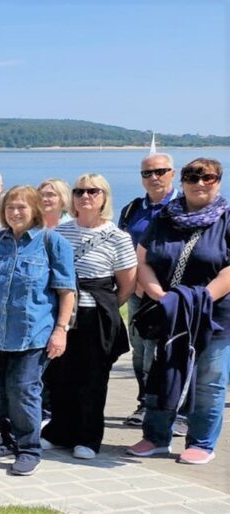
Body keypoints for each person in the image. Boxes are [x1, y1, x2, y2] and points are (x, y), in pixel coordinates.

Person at [129, 158, 230, 465]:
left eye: (208, 177)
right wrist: (162, 297)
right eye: (192, 176)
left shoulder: (226, 219)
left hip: (214, 313)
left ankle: (201, 442)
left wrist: (198, 303)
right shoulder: (164, 218)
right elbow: (142, 260)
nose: (199, 182)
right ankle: (156, 437)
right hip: (167, 310)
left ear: (218, 181)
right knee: (160, 371)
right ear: (182, 181)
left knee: (209, 378)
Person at [0, 185, 76, 476]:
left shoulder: (52, 243)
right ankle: (8, 440)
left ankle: (29, 449)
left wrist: (61, 330)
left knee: (23, 392)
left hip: (32, 334)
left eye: (21, 207)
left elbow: (67, 292)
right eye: (10, 207)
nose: (15, 212)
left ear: (35, 209)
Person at [42, 174, 135, 459]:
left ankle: (88, 438)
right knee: (59, 376)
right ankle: (59, 431)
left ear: (104, 196)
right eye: (80, 191)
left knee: (93, 379)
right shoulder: (60, 232)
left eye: (93, 191)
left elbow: (127, 283)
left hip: (96, 314)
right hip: (62, 314)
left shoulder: (118, 237)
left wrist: (103, 306)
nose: (85, 196)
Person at [119, 152, 181, 426]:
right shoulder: (133, 209)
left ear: (173, 173)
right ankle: (145, 402)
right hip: (136, 291)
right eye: (147, 173)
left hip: (172, 292)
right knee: (140, 349)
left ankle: (172, 409)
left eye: (160, 171)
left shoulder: (185, 206)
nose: (154, 177)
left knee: (167, 350)